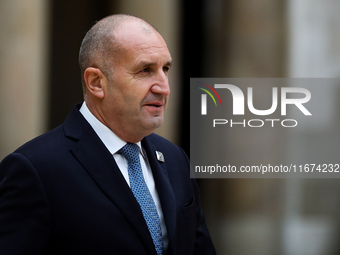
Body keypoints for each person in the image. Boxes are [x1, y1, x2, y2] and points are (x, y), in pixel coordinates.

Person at [0, 14, 216, 255]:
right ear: (96, 82)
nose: (163, 87)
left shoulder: (176, 159)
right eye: (145, 70)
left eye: (165, 69)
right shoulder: (35, 169)